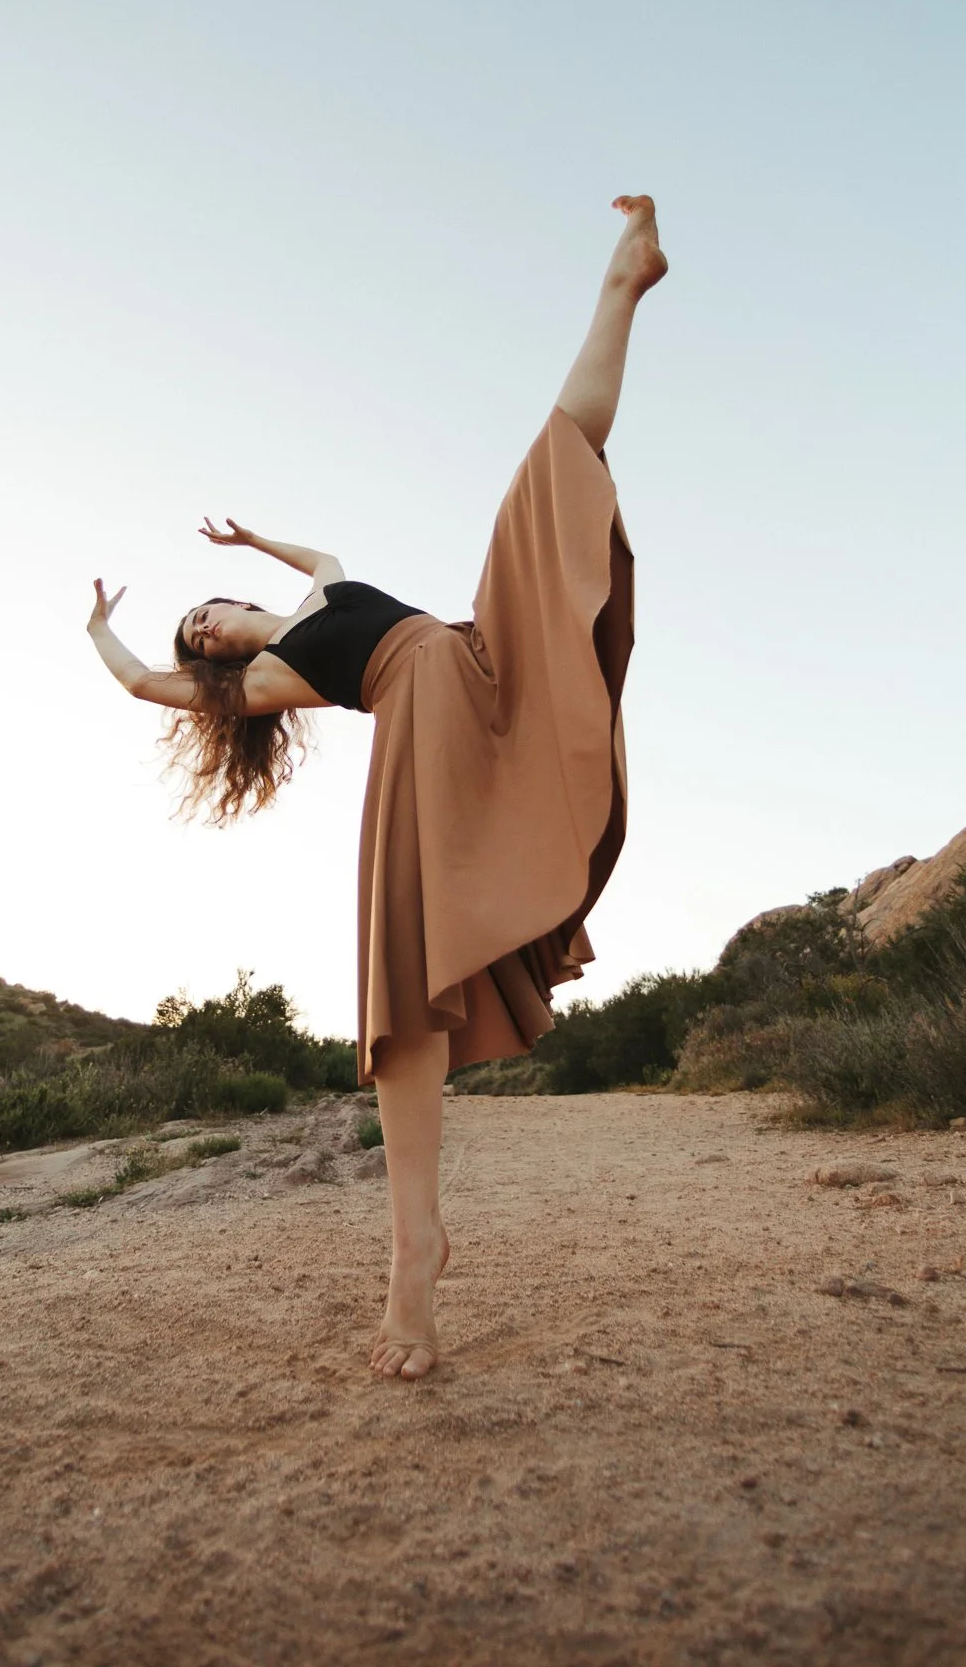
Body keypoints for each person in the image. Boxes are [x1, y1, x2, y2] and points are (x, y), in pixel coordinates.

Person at [87, 195, 668, 1379]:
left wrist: (254, 543)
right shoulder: (274, 676)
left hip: (475, 650)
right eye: (202, 628)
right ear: (220, 655)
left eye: (205, 603)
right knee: (407, 989)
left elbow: (325, 562)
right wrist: (110, 634)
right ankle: (417, 1249)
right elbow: (150, 682)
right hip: (421, 724)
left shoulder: (315, 602)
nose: (206, 618)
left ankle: (626, 278)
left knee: (542, 484)